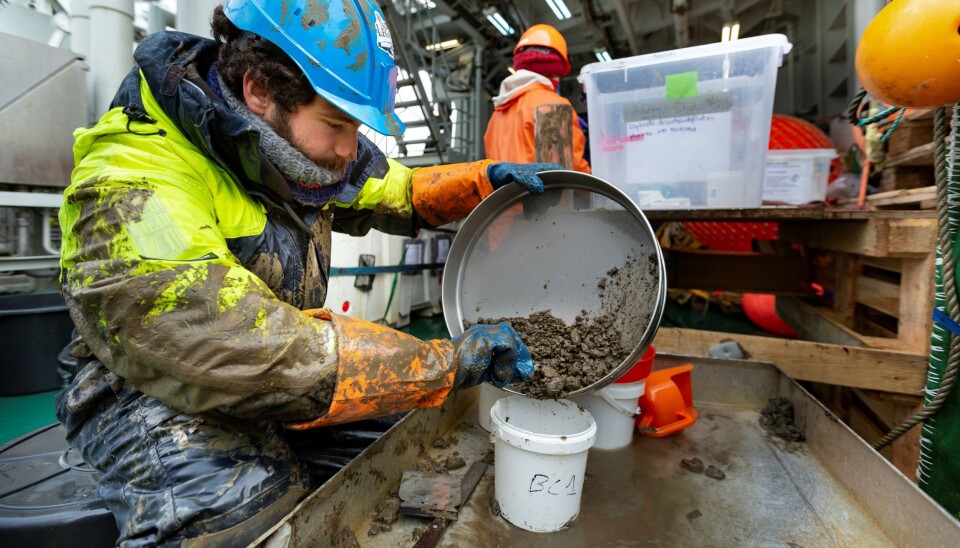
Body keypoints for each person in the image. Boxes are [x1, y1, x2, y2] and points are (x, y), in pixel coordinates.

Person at [54, 1, 556, 545]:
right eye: (338, 124)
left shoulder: (295, 150)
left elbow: (393, 190)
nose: (349, 149)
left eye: (357, 127)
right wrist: (443, 364)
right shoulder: (133, 180)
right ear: (260, 92)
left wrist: (485, 181)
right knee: (241, 512)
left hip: (278, 383)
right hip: (149, 390)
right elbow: (246, 346)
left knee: (404, 438)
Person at [484, 24, 591, 173]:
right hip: (540, 196)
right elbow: (564, 176)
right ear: (555, 71)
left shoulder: (496, 116)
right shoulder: (551, 105)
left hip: (508, 197)